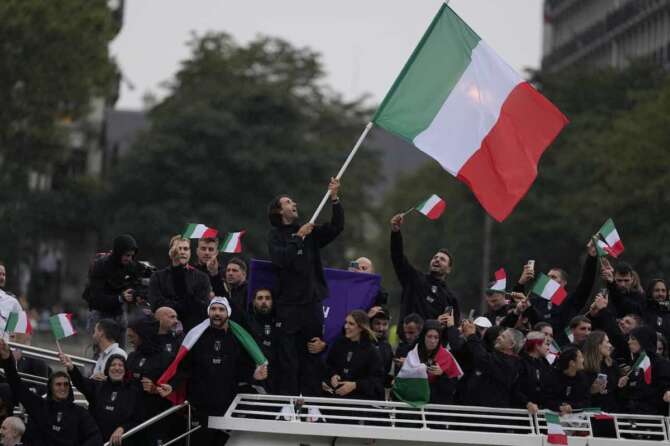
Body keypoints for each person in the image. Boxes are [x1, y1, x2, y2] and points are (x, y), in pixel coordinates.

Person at [267, 177, 342, 397]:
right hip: (288, 306)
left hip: (311, 303)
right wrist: (298, 238)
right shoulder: (275, 236)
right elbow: (282, 260)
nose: (295, 204)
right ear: (279, 211)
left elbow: (337, 227)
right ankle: (287, 403)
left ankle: (311, 404)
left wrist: (335, 199)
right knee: (288, 359)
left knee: (313, 353)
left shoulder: (308, 231)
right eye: (289, 202)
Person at [157, 297, 268, 445]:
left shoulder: (238, 340)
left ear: (228, 313)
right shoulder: (196, 338)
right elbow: (184, 368)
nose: (217, 313)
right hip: (200, 408)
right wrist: (172, 385)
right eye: (213, 309)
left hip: (228, 407)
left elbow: (242, 369)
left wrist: (254, 375)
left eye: (221, 310)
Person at [0, 338, 102, 446]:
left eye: (66, 384)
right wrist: (7, 359)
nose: (62, 388)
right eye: (58, 384)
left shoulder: (80, 413)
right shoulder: (40, 407)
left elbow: (95, 437)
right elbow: (17, 385)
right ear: (51, 387)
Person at [389, 213, 460, 340]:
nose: (437, 260)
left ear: (449, 269)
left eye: (442, 259)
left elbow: (453, 328)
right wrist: (396, 232)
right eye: (435, 257)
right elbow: (398, 257)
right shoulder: (414, 279)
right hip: (408, 346)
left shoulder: (451, 298)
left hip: (432, 351)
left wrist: (442, 325)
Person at [515, 240, 598, 333]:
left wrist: (592, 258)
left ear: (563, 283)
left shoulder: (570, 301)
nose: (548, 280)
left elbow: (586, 284)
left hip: (562, 346)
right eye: (547, 277)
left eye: (553, 277)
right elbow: (519, 302)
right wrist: (521, 282)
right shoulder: (537, 302)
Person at [60, 353, 142, 446]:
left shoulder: (132, 392)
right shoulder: (98, 386)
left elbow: (137, 419)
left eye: (120, 365)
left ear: (125, 370)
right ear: (107, 368)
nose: (117, 368)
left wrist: (122, 428)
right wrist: (71, 367)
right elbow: (81, 382)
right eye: (113, 365)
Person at [126, 315, 173, 446]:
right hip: (132, 421)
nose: (129, 340)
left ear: (143, 335)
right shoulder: (132, 356)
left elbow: (175, 390)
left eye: (132, 337)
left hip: (156, 421)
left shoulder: (166, 358)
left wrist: (155, 389)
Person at [83, 234, 142, 340]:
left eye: (132, 256)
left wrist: (136, 295)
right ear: (118, 253)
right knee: (100, 354)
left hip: (119, 314)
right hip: (100, 315)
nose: (129, 259)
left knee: (120, 354)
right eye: (127, 255)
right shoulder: (101, 266)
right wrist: (120, 298)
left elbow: (134, 285)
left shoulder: (130, 266)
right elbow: (97, 298)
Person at [149, 235, 211, 332]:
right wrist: (185, 304)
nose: (182, 252)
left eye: (185, 249)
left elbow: (203, 307)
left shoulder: (202, 278)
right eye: (178, 249)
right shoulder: (158, 277)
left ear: (190, 252)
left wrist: (172, 303)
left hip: (192, 330)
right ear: (171, 252)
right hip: (165, 330)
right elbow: (156, 304)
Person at [323, 310, 384, 401]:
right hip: (335, 399)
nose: (346, 326)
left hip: (359, 403)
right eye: (346, 322)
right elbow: (328, 366)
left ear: (361, 328)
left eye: (351, 324)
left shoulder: (372, 351)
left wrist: (355, 385)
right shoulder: (338, 344)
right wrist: (333, 375)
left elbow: (377, 380)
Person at [461, 320, 523, 408]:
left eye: (503, 337)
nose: (498, 338)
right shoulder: (496, 356)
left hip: (489, 415)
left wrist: (471, 336)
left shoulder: (509, 364)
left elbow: (482, 359)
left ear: (511, 345)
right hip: (475, 411)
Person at [618, 326, 670, 415]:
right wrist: (623, 386)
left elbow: (665, 383)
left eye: (633, 339)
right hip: (632, 414)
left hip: (653, 416)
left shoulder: (660, 362)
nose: (629, 342)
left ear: (643, 340)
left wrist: (667, 391)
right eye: (629, 339)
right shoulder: (635, 362)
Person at [416, 320, 461, 404]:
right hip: (416, 407)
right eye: (429, 336)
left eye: (436, 337)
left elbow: (452, 389)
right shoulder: (413, 353)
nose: (432, 341)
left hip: (438, 409)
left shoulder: (447, 356)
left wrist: (441, 375)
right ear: (423, 337)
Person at [248, 288, 278, 393]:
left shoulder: (281, 324)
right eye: (260, 298)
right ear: (254, 302)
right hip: (253, 380)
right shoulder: (247, 323)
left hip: (277, 381)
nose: (264, 301)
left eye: (267, 298)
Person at [546, 346, 591, 414]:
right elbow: (547, 399)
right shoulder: (552, 376)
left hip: (577, 418)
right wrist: (560, 406)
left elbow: (586, 401)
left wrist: (570, 406)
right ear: (572, 363)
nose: (583, 360)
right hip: (554, 417)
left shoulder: (583, 378)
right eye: (581, 357)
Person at [582, 330, 620, 412]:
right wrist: (591, 391)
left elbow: (617, 392)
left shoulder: (612, 364)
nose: (610, 346)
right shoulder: (583, 366)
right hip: (591, 413)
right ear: (597, 345)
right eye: (607, 342)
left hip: (612, 413)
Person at [516, 331, 553, 413]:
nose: (548, 348)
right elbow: (515, 389)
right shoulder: (520, 363)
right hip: (523, 413)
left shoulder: (545, 365)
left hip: (541, 412)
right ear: (537, 346)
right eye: (546, 344)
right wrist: (527, 403)